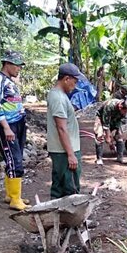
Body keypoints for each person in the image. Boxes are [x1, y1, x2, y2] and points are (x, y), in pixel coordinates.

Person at [0, 50, 27, 211]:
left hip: (18, 122)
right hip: (7, 125)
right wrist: (6, 128)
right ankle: (15, 199)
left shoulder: (9, 81)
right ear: (7, 64)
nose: (19, 69)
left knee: (14, 158)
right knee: (15, 161)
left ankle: (11, 195)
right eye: (17, 65)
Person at [47, 63, 83, 199]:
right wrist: (71, 154)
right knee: (70, 189)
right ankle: (69, 219)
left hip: (61, 150)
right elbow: (61, 128)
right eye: (75, 81)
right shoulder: (59, 98)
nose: (76, 84)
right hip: (64, 151)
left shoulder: (57, 95)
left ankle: (56, 217)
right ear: (66, 79)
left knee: (59, 187)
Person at [94, 97, 127, 164]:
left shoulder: (123, 110)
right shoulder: (109, 106)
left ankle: (120, 157)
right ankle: (99, 159)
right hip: (101, 117)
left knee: (120, 136)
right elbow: (106, 124)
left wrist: (113, 136)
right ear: (120, 107)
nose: (125, 114)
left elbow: (118, 123)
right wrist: (108, 137)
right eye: (125, 111)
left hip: (114, 119)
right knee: (100, 136)